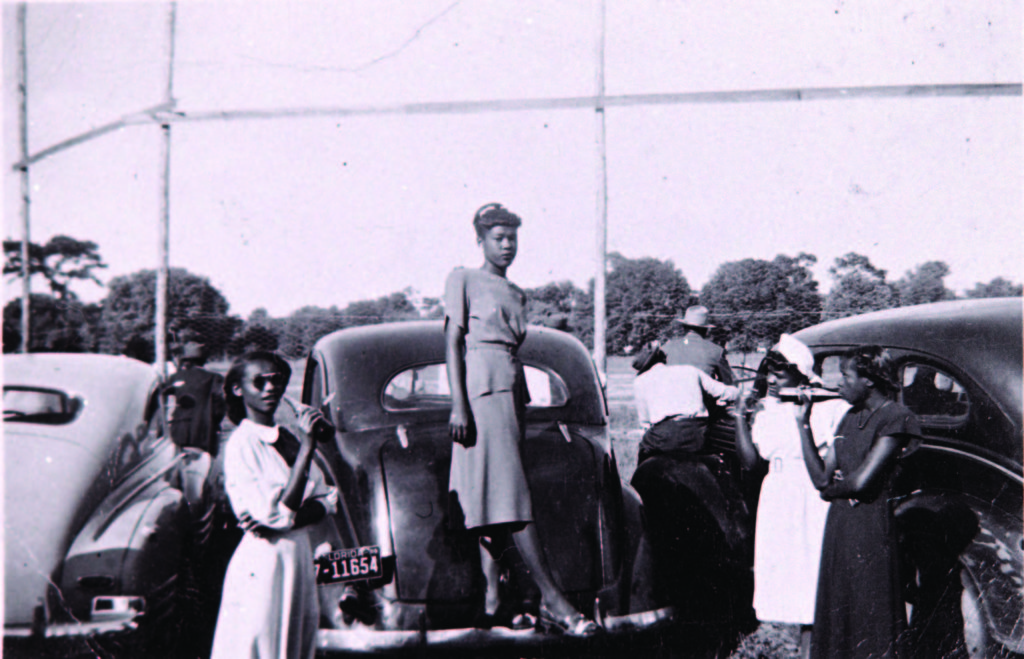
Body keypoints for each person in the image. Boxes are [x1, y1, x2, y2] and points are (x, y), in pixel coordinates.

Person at [445, 202, 598, 637]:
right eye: (498, 238)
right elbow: (452, 341)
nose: (507, 245)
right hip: (479, 392)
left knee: (491, 497)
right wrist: (459, 404)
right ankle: (554, 600)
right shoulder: (463, 279)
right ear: (480, 240)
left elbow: (515, 351)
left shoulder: (515, 292)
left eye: (512, 237)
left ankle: (493, 603)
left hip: (509, 393)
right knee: (510, 499)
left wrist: (522, 404)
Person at [210, 351, 338, 659]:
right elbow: (275, 515)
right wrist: (308, 449)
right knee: (263, 645)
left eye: (276, 380)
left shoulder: (286, 437)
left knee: (295, 645)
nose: (270, 388)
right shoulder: (242, 444)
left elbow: (329, 497)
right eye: (259, 381)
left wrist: (290, 516)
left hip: (297, 560)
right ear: (238, 390)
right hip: (264, 565)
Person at [797, 346, 921, 659]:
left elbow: (863, 482)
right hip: (840, 525)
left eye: (846, 376)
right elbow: (822, 479)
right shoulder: (849, 417)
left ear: (868, 381)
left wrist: (833, 490)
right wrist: (803, 424)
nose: (839, 383)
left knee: (871, 610)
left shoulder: (896, 418)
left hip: (871, 527)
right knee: (840, 605)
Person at [732, 334, 850, 658]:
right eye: (769, 371)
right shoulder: (767, 408)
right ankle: (805, 649)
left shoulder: (828, 406)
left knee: (813, 577)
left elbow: (833, 460)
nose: (770, 379)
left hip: (810, 496)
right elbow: (751, 462)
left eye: (779, 374)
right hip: (778, 495)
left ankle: (816, 649)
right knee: (790, 579)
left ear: (801, 373)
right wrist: (740, 418)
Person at [632, 342, 741, 463]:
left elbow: (645, 422)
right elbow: (724, 392)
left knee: (644, 454)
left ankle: (639, 481)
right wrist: (738, 391)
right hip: (696, 431)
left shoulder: (640, 381)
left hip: (663, 433)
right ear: (663, 358)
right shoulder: (690, 371)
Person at [164, 341, 226, 455]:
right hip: (204, 430)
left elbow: (164, 399)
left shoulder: (175, 377)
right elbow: (219, 407)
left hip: (179, 431)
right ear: (204, 359)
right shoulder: (213, 378)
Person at [661, 305, 736, 384]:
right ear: (706, 329)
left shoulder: (667, 347)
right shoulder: (716, 351)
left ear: (684, 327)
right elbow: (728, 384)